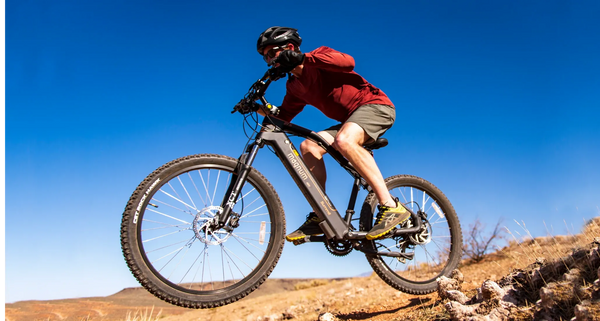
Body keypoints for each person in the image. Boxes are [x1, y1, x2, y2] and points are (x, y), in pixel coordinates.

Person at [256, 26, 412, 242]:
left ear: (289, 47)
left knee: (344, 140)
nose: (270, 61)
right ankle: (322, 215)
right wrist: (259, 108)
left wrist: (304, 58)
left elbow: (348, 62)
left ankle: (391, 206)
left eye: (272, 53)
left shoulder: (317, 57)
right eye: (265, 58)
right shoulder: (294, 87)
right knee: (309, 146)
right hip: (350, 121)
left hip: (376, 106)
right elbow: (283, 117)